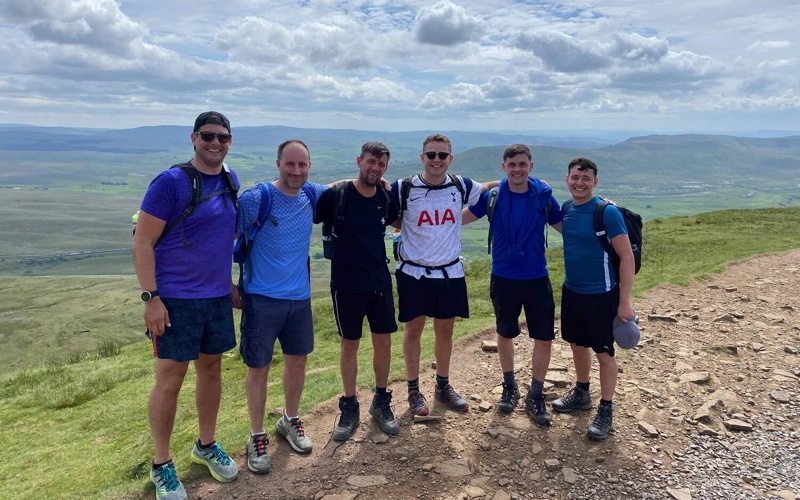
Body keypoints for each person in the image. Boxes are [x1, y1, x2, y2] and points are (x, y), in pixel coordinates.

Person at [133, 111, 239, 500]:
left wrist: (226, 283)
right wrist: (151, 298)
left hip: (215, 298)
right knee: (170, 378)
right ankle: (162, 464)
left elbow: (217, 238)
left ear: (230, 142)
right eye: (208, 136)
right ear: (194, 138)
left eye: (222, 137)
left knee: (211, 369)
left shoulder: (230, 179)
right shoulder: (170, 183)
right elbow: (142, 242)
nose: (215, 143)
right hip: (175, 299)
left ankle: (206, 445)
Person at [235, 139, 338, 474]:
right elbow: (223, 238)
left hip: (299, 299)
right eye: (290, 164)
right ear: (278, 163)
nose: (296, 170)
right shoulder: (256, 199)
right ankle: (256, 436)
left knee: (298, 361)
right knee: (259, 367)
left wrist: (375, 178)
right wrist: (226, 284)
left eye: (302, 164)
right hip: (261, 299)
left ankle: (290, 420)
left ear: (309, 166)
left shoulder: (311, 193)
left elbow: (338, 187)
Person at [390, 133, 497, 416]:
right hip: (414, 273)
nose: (436, 160)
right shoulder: (403, 187)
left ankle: (443, 385)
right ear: (422, 157)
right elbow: (385, 208)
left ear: (450, 158)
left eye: (442, 155)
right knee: (413, 330)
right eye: (431, 155)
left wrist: (526, 182)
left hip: (450, 272)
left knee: (445, 330)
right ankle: (413, 391)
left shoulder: (461, 184)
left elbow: (487, 187)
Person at [462, 144, 562, 425]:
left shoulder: (544, 196)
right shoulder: (492, 196)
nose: (517, 169)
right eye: (512, 164)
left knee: (543, 337)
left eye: (522, 164)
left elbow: (568, 226)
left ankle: (536, 394)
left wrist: (602, 212)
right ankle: (510, 386)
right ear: (504, 167)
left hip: (536, 276)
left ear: (531, 166)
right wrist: (418, 220)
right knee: (505, 333)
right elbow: (458, 218)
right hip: (503, 277)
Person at [313, 142, 400, 441]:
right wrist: (339, 182)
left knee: (383, 342)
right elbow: (308, 202)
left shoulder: (385, 197)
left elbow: (398, 221)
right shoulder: (336, 195)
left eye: (381, 164)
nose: (376, 168)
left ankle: (381, 401)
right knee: (349, 344)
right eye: (371, 162)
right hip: (346, 284)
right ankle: (350, 405)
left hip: (379, 281)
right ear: (359, 161)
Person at [553, 157, 635, 441]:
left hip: (602, 294)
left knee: (604, 353)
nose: (579, 183)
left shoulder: (607, 213)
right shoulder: (566, 209)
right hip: (572, 291)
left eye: (586, 178)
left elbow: (627, 257)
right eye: (575, 177)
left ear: (595, 182)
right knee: (577, 345)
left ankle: (606, 409)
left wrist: (624, 301)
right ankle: (582, 393)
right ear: (567, 180)